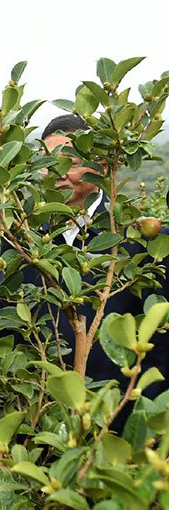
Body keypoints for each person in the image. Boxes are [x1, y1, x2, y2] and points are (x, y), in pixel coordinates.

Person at [35, 114, 167, 426]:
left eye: (72, 163)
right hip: (45, 422)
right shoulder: (24, 244)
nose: (59, 174)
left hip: (122, 418)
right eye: (48, 163)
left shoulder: (142, 242)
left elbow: (162, 347)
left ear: (103, 168)